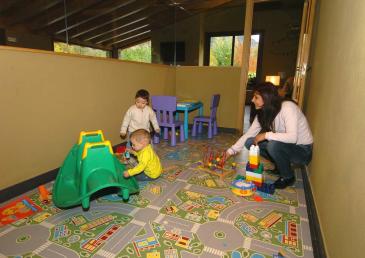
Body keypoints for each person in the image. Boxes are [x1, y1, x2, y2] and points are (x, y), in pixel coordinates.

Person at [227, 82, 313, 189]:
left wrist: (266, 135)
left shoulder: (288, 108)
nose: (252, 100)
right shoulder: (263, 112)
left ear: (266, 99)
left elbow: (292, 138)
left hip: (302, 151)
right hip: (285, 146)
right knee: (250, 142)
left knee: (273, 145)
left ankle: (288, 177)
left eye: (256, 97)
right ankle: (280, 166)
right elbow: (248, 135)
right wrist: (230, 151)